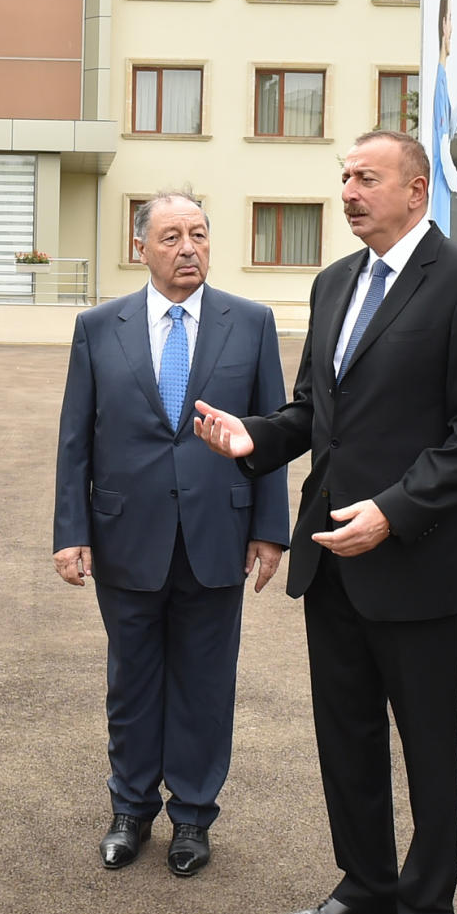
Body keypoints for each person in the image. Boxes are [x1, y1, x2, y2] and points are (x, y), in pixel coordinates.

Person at [194, 130, 457, 914]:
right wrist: (251, 438)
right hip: (330, 558)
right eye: (343, 178)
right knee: (345, 737)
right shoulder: (336, 281)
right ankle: (366, 884)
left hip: (410, 560)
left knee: (425, 751)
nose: (349, 191)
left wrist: (395, 512)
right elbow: (312, 410)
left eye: (366, 177)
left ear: (416, 190)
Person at [53, 191, 289, 875]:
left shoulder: (251, 323)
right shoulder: (100, 327)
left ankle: (192, 814)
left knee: (206, 682)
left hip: (219, 531)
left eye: (199, 234)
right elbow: (76, 439)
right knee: (132, 679)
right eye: (171, 236)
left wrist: (270, 529)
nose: (188, 247)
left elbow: (269, 432)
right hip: (127, 533)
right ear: (142, 248)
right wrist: (71, 531)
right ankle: (130, 808)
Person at [429, 0, 457, 233]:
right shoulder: (439, 84)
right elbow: (443, 143)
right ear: (443, 26)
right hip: (445, 198)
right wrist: (455, 182)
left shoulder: (442, 80)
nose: (452, 27)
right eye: (450, 19)